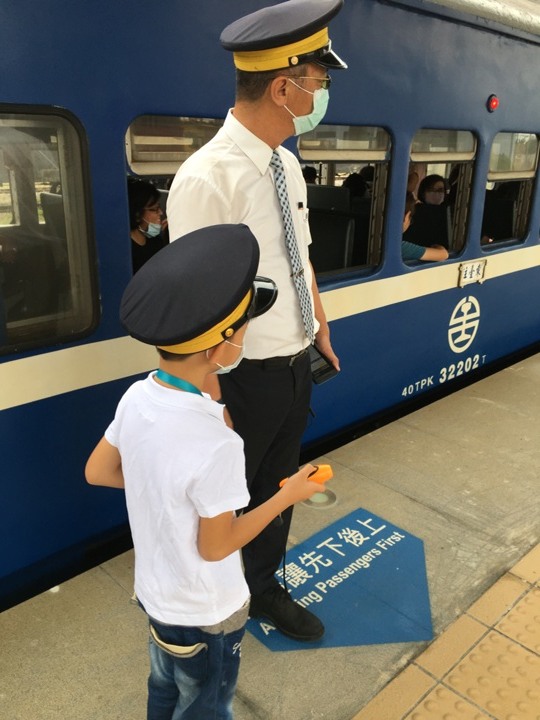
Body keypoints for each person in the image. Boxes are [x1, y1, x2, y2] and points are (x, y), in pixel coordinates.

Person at [85, 224, 328, 720]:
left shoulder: (137, 397)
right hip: (207, 612)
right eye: (243, 329)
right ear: (222, 347)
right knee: (208, 705)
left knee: (164, 687)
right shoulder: (217, 442)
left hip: (156, 597)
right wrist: (288, 495)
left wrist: (165, 485)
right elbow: (216, 545)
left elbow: (98, 471)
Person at [166, 0, 346, 642]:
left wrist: (318, 325)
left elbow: (298, 255)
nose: (321, 94)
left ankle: (264, 587)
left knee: (277, 486)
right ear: (283, 86)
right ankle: (215, 601)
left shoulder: (286, 164)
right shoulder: (206, 179)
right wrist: (213, 398)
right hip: (241, 380)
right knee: (226, 500)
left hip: (293, 366)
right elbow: (197, 308)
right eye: (319, 82)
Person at [127, 177, 168, 274]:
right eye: (154, 209)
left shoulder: (155, 241)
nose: (160, 213)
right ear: (137, 214)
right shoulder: (128, 251)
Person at [402, 192, 448, 262]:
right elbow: (443, 254)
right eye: (411, 217)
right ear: (407, 216)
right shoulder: (402, 247)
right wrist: (436, 246)